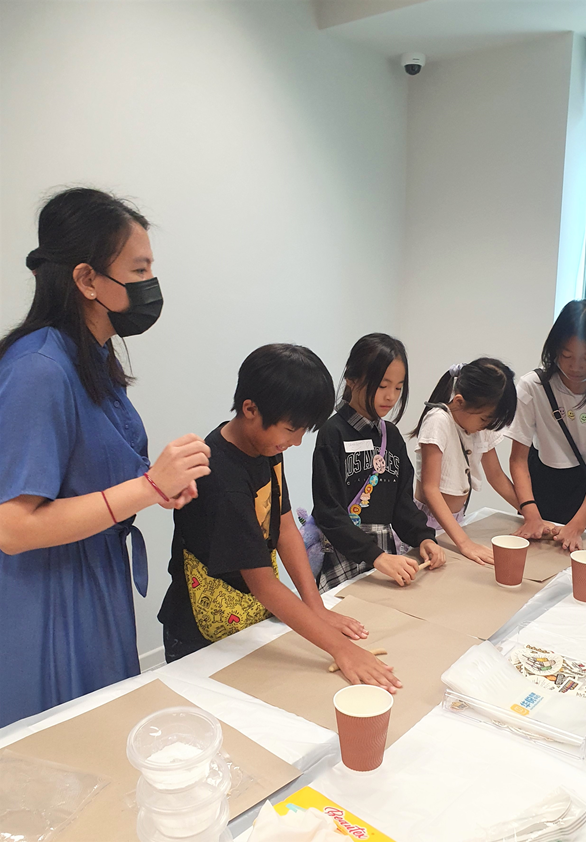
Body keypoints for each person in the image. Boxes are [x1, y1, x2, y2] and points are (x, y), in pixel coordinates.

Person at [0, 188, 210, 729]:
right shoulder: (39, 369)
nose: (149, 286)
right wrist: (145, 489)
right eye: (137, 270)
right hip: (49, 593)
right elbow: (13, 527)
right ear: (87, 279)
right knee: (65, 750)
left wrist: (159, 484)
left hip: (97, 574)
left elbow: (89, 473)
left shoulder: (92, 357)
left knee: (107, 727)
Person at [158, 344, 401, 693]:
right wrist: (342, 650)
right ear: (250, 409)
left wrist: (316, 606)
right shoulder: (223, 477)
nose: (298, 442)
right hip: (199, 631)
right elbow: (263, 584)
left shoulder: (264, 446)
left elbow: (285, 524)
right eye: (291, 429)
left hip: (246, 613)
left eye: (304, 430)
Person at [311, 333, 445, 593]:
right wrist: (376, 555)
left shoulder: (391, 436)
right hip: (345, 551)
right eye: (382, 386)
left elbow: (401, 505)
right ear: (351, 379)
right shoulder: (333, 432)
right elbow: (330, 512)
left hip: (384, 555)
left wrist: (424, 538)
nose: (391, 397)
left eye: (398, 387)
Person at [508, 299, 586, 552]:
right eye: (566, 355)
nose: (576, 366)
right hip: (540, 485)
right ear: (554, 349)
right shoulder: (533, 386)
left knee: (574, 567)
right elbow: (518, 460)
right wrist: (529, 511)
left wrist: (577, 525)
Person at [411, 359, 518, 565]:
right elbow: (430, 489)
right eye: (485, 420)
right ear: (459, 402)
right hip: (428, 525)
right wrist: (465, 543)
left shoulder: (479, 425)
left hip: (456, 521)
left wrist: (529, 512)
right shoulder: (438, 421)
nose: (486, 426)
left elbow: (495, 474)